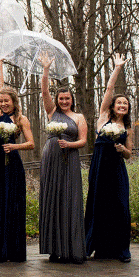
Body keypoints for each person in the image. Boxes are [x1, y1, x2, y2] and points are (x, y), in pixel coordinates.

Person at [38, 51, 88, 264]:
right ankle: (54, 249)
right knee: (53, 200)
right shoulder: (51, 112)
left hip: (70, 160)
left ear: (71, 100)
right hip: (51, 160)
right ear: (57, 101)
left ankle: (72, 249)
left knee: (70, 200)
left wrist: (70, 144)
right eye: (61, 98)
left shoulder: (79, 117)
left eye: (67, 98)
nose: (64, 101)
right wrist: (46, 69)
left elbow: (83, 141)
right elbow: (44, 91)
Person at [84, 53, 133, 262]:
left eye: (125, 104)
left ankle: (121, 250)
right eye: (119, 103)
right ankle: (94, 247)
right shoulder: (103, 117)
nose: (122, 105)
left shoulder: (128, 127)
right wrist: (117, 68)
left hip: (117, 170)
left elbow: (130, 154)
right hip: (100, 168)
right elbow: (109, 90)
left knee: (120, 207)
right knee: (99, 206)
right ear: (113, 106)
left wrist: (123, 149)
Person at [0, 58, 35, 262]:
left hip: (12, 166)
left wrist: (15, 146)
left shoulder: (21, 119)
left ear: (14, 102)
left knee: (11, 205)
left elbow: (31, 144)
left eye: (7, 101)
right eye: (1, 101)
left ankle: (12, 251)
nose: (3, 104)